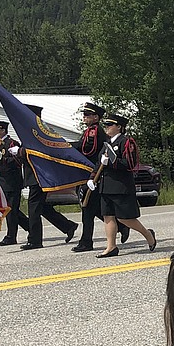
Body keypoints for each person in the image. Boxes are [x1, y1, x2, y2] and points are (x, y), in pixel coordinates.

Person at [88, 113, 156, 258]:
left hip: (121, 186)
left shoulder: (126, 142)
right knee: (108, 216)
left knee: (125, 218)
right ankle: (111, 247)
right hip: (106, 186)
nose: (106, 127)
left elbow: (130, 164)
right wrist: (92, 178)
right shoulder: (107, 144)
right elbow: (98, 164)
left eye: (109, 125)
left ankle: (148, 235)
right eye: (105, 125)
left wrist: (113, 163)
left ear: (119, 127)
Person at [19, 104, 79, 251]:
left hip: (38, 175)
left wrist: (20, 151)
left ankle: (34, 240)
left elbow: (37, 151)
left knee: (33, 209)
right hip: (35, 175)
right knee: (42, 207)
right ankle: (67, 226)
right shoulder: (31, 131)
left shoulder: (37, 132)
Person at [72, 101, 127, 252]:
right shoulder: (89, 130)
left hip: (93, 173)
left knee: (88, 207)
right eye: (84, 114)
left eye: (87, 115)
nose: (84, 117)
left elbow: (86, 149)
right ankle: (122, 226)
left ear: (95, 117)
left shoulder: (94, 131)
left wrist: (67, 146)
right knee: (92, 208)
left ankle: (86, 242)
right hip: (89, 174)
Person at [0, 120, 30, 246]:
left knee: (11, 210)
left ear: (2, 130)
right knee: (11, 210)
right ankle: (31, 228)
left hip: (12, 181)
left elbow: (18, 161)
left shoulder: (11, 143)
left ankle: (11, 236)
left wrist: (3, 159)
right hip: (1, 181)